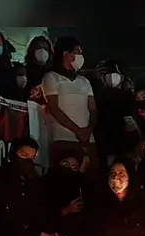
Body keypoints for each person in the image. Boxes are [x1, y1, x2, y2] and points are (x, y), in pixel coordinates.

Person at [42, 37, 98, 170]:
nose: (80, 56)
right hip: (63, 138)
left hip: (88, 140)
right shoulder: (51, 77)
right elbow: (54, 108)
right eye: (77, 52)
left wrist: (88, 130)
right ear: (65, 54)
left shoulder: (84, 81)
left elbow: (93, 109)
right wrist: (78, 131)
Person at [23, 35, 53, 99]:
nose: (42, 51)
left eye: (45, 49)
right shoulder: (24, 71)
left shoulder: (53, 73)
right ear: (32, 51)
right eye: (38, 48)